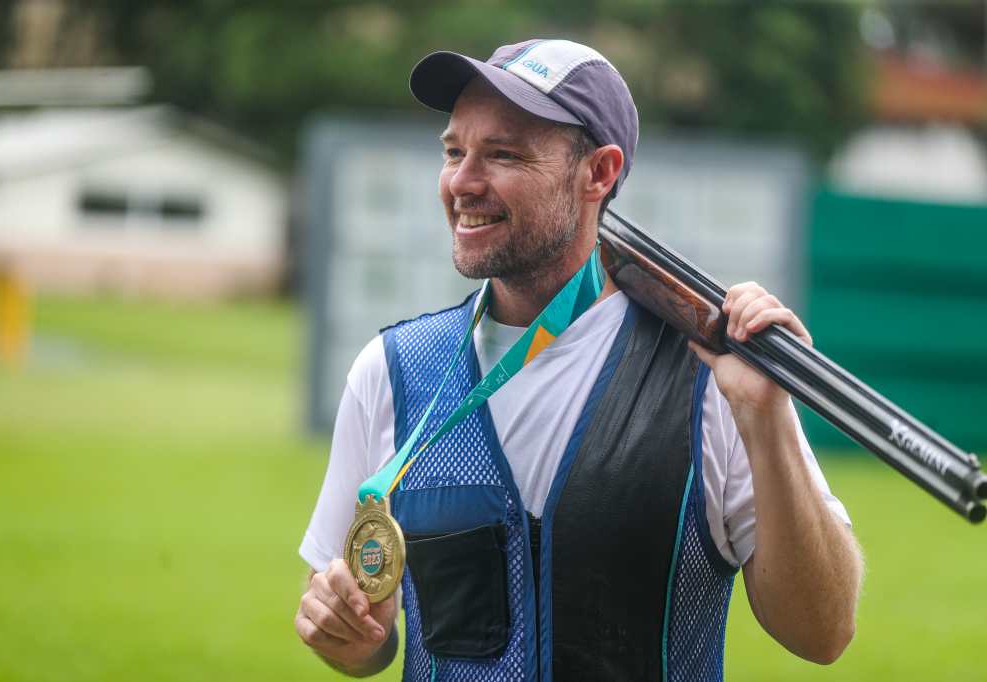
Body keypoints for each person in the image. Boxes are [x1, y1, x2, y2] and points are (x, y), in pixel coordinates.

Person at [295, 39, 863, 681]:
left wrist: (767, 416)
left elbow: (824, 632)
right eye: (455, 151)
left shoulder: (712, 379)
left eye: (503, 154)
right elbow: (362, 633)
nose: (462, 182)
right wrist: (345, 635)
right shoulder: (390, 370)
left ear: (598, 173)